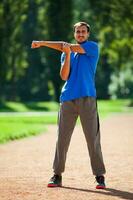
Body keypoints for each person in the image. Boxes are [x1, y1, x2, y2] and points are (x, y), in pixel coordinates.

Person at [31, 21, 106, 189]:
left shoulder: (93, 47)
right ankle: (57, 175)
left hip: (87, 99)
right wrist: (65, 53)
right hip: (67, 99)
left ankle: (99, 176)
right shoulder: (67, 52)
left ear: (88, 34)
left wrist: (42, 43)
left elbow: (67, 46)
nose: (80, 34)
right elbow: (64, 76)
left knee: (92, 139)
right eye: (77, 32)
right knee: (62, 139)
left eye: (83, 32)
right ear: (74, 34)